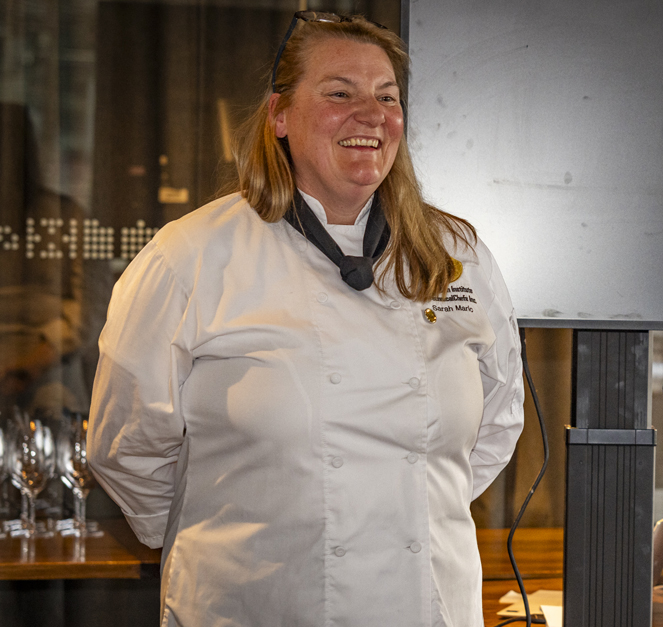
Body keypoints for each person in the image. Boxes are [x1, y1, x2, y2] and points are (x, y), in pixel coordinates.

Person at [88, 12, 524, 627]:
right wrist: (219, 533)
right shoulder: (189, 256)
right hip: (256, 606)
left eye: (387, 97)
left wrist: (408, 510)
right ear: (279, 116)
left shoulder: (459, 253)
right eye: (340, 93)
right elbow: (125, 446)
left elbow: (498, 423)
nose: (371, 115)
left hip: (425, 605)